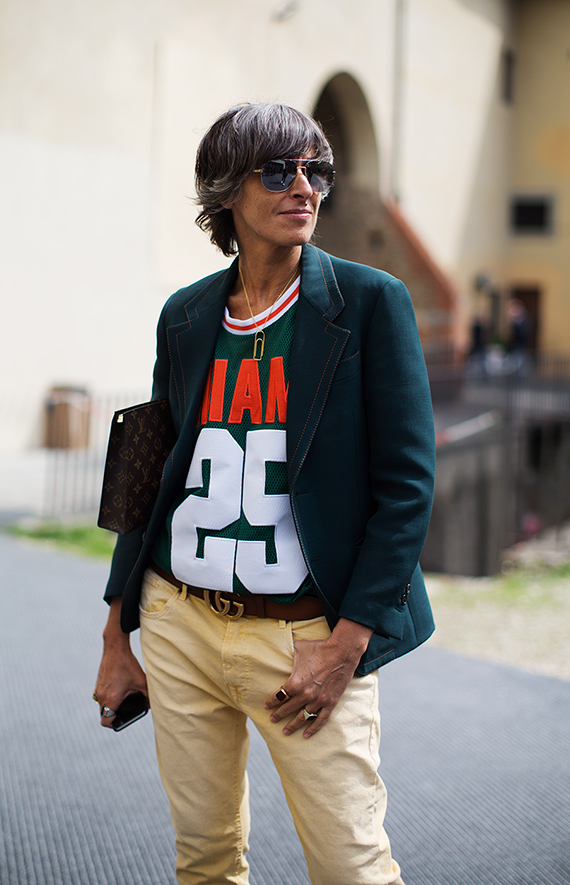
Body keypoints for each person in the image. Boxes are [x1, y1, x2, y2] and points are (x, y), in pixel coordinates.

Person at [94, 102, 435, 885]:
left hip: (305, 639)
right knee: (206, 860)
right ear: (226, 190)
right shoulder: (185, 315)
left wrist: (346, 645)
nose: (304, 187)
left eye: (317, 171)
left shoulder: (371, 302)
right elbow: (147, 475)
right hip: (180, 624)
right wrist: (118, 635)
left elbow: (408, 487)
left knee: (351, 866)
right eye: (279, 171)